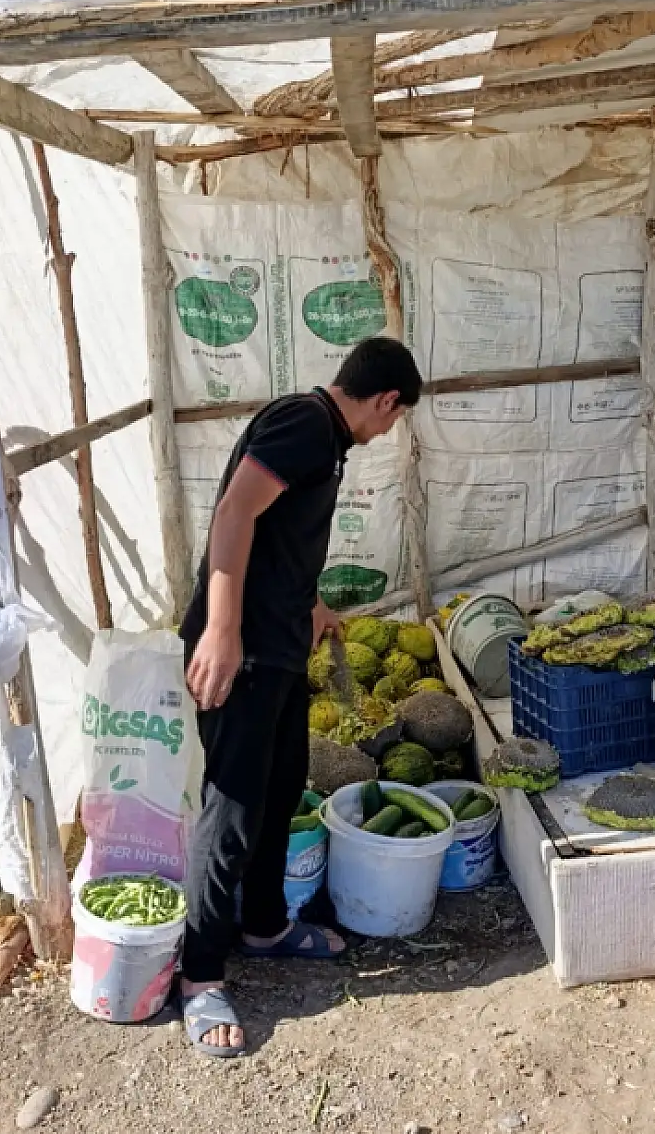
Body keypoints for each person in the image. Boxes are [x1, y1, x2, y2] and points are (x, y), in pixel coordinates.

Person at [177, 336, 423, 1057]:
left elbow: (280, 532)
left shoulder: (322, 433)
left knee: (282, 786)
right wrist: (221, 629)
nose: (388, 430)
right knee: (231, 810)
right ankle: (199, 976)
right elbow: (233, 515)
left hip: (282, 645)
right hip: (244, 654)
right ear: (385, 400)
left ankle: (264, 926)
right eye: (395, 417)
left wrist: (309, 601)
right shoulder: (306, 426)